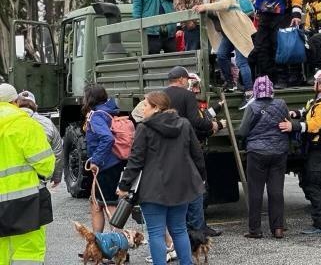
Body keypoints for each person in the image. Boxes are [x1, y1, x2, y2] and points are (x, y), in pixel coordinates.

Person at [117, 91, 205, 265]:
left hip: (153, 189)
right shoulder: (184, 124)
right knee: (179, 229)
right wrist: (201, 178)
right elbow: (197, 155)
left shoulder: (144, 128)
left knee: (156, 232)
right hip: (181, 186)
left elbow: (136, 160)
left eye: (146, 105)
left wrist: (124, 185)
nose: (142, 108)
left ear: (156, 107)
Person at [163, 66, 224, 237]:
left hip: (166, 147)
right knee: (197, 185)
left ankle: (179, 226)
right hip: (187, 144)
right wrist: (213, 125)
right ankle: (198, 227)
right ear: (182, 79)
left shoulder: (161, 95)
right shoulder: (187, 95)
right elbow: (195, 120)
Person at [279, 69, 321, 234]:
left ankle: (320, 224)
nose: (314, 84)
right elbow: (307, 110)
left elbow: (314, 125)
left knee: (316, 187)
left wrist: (293, 126)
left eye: (317, 82)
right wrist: (295, 113)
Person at [0, 83, 55, 265]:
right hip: (26, 201)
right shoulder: (25, 124)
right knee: (28, 250)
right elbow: (46, 164)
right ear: (15, 101)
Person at [235, 0, 304, 88]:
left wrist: (296, 14)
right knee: (260, 47)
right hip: (265, 16)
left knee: (278, 46)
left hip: (281, 16)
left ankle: (282, 79)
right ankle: (268, 78)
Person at [239, 76, 290, 239]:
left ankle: (255, 230)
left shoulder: (252, 107)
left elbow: (243, 131)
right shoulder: (281, 104)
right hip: (279, 152)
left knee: (256, 191)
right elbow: (287, 122)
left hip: (257, 153)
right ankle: (278, 228)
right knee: (276, 191)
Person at [193, 0, 256, 108]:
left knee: (241, 61)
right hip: (229, 33)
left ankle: (250, 93)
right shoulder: (215, 0)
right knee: (221, 55)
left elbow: (224, 5)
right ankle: (230, 83)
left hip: (239, 31)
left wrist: (204, 6)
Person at [82, 84, 124, 233]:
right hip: (112, 162)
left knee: (108, 204)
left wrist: (96, 160)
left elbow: (107, 138)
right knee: (96, 202)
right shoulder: (108, 111)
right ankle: (97, 243)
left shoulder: (97, 115)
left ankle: (119, 245)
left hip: (105, 164)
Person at [17, 90, 63, 187]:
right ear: (35, 106)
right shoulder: (47, 123)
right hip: (39, 181)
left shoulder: (7, 121)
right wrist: (56, 177)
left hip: (11, 184)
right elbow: (57, 152)